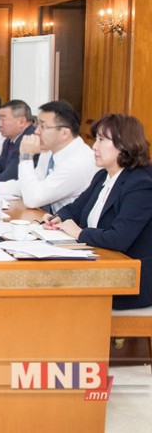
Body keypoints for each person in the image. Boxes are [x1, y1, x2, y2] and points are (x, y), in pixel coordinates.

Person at [44, 114, 152, 309]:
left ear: (124, 144)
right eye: (96, 139)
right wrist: (56, 218)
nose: (94, 146)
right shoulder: (103, 176)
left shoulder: (140, 185)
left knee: (58, 294)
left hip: (131, 279)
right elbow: (74, 209)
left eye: (102, 140)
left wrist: (79, 233)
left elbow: (119, 238)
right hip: (100, 265)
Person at [0, 100, 97, 212]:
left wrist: (26, 157)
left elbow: (33, 199)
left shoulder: (77, 162)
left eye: (43, 126)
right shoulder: (50, 150)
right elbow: (30, 185)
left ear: (64, 133)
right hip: (50, 219)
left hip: (70, 225)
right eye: (37, 124)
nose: (37, 131)